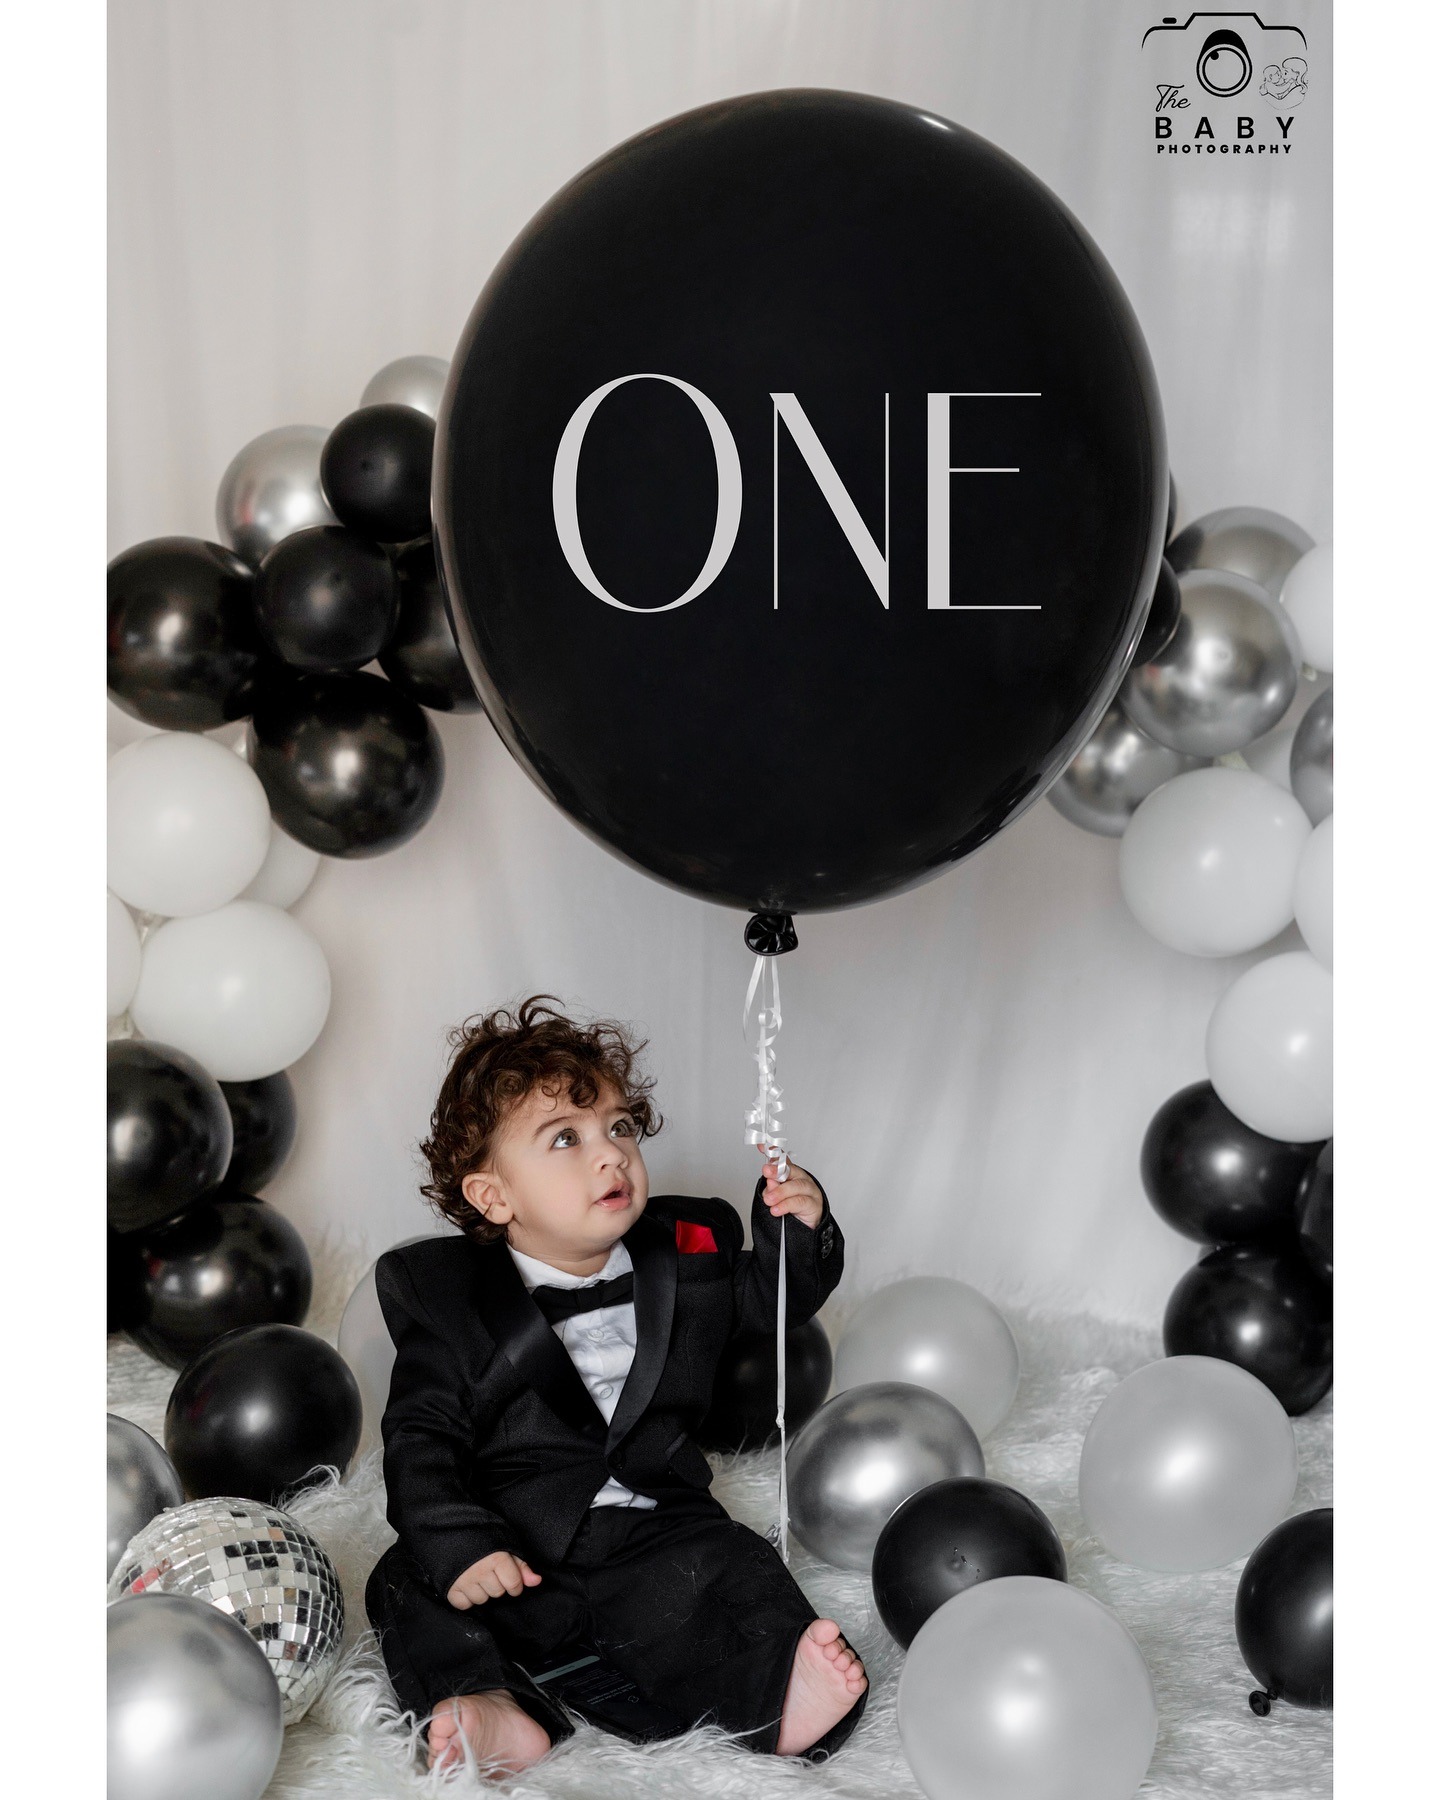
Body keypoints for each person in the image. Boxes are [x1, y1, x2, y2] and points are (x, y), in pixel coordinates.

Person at [365, 994, 868, 1777]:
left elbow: (774, 1303)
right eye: (566, 1138)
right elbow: (419, 1437)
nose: (611, 1154)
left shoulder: (684, 1253)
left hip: (656, 1532)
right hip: (516, 1547)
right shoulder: (452, 1304)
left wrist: (797, 1230)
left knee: (735, 1565)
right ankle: (491, 1706)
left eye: (620, 1127)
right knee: (406, 1579)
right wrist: (463, 1545)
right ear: (494, 1196)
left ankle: (775, 1690)